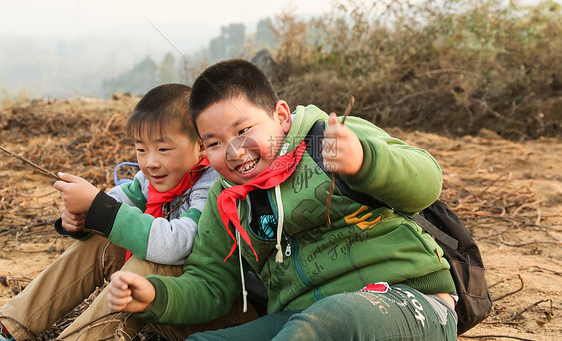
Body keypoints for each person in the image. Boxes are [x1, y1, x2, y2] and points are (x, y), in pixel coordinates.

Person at [108, 60, 457, 340]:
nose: (234, 150)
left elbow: (427, 181)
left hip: (408, 300)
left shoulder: (325, 141)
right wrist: (155, 296)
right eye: (214, 142)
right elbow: (211, 286)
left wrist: (364, 162)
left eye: (244, 130)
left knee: (326, 323)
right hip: (297, 319)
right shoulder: (224, 199)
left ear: (281, 116)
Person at [0, 84, 256, 341]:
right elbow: (116, 204)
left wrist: (102, 210)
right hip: (165, 304)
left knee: (147, 264)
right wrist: (82, 219)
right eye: (141, 149)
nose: (150, 162)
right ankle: (11, 325)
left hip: (218, 316)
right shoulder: (151, 179)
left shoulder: (212, 184)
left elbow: (179, 243)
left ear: (200, 146)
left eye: (163, 149)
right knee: (103, 240)